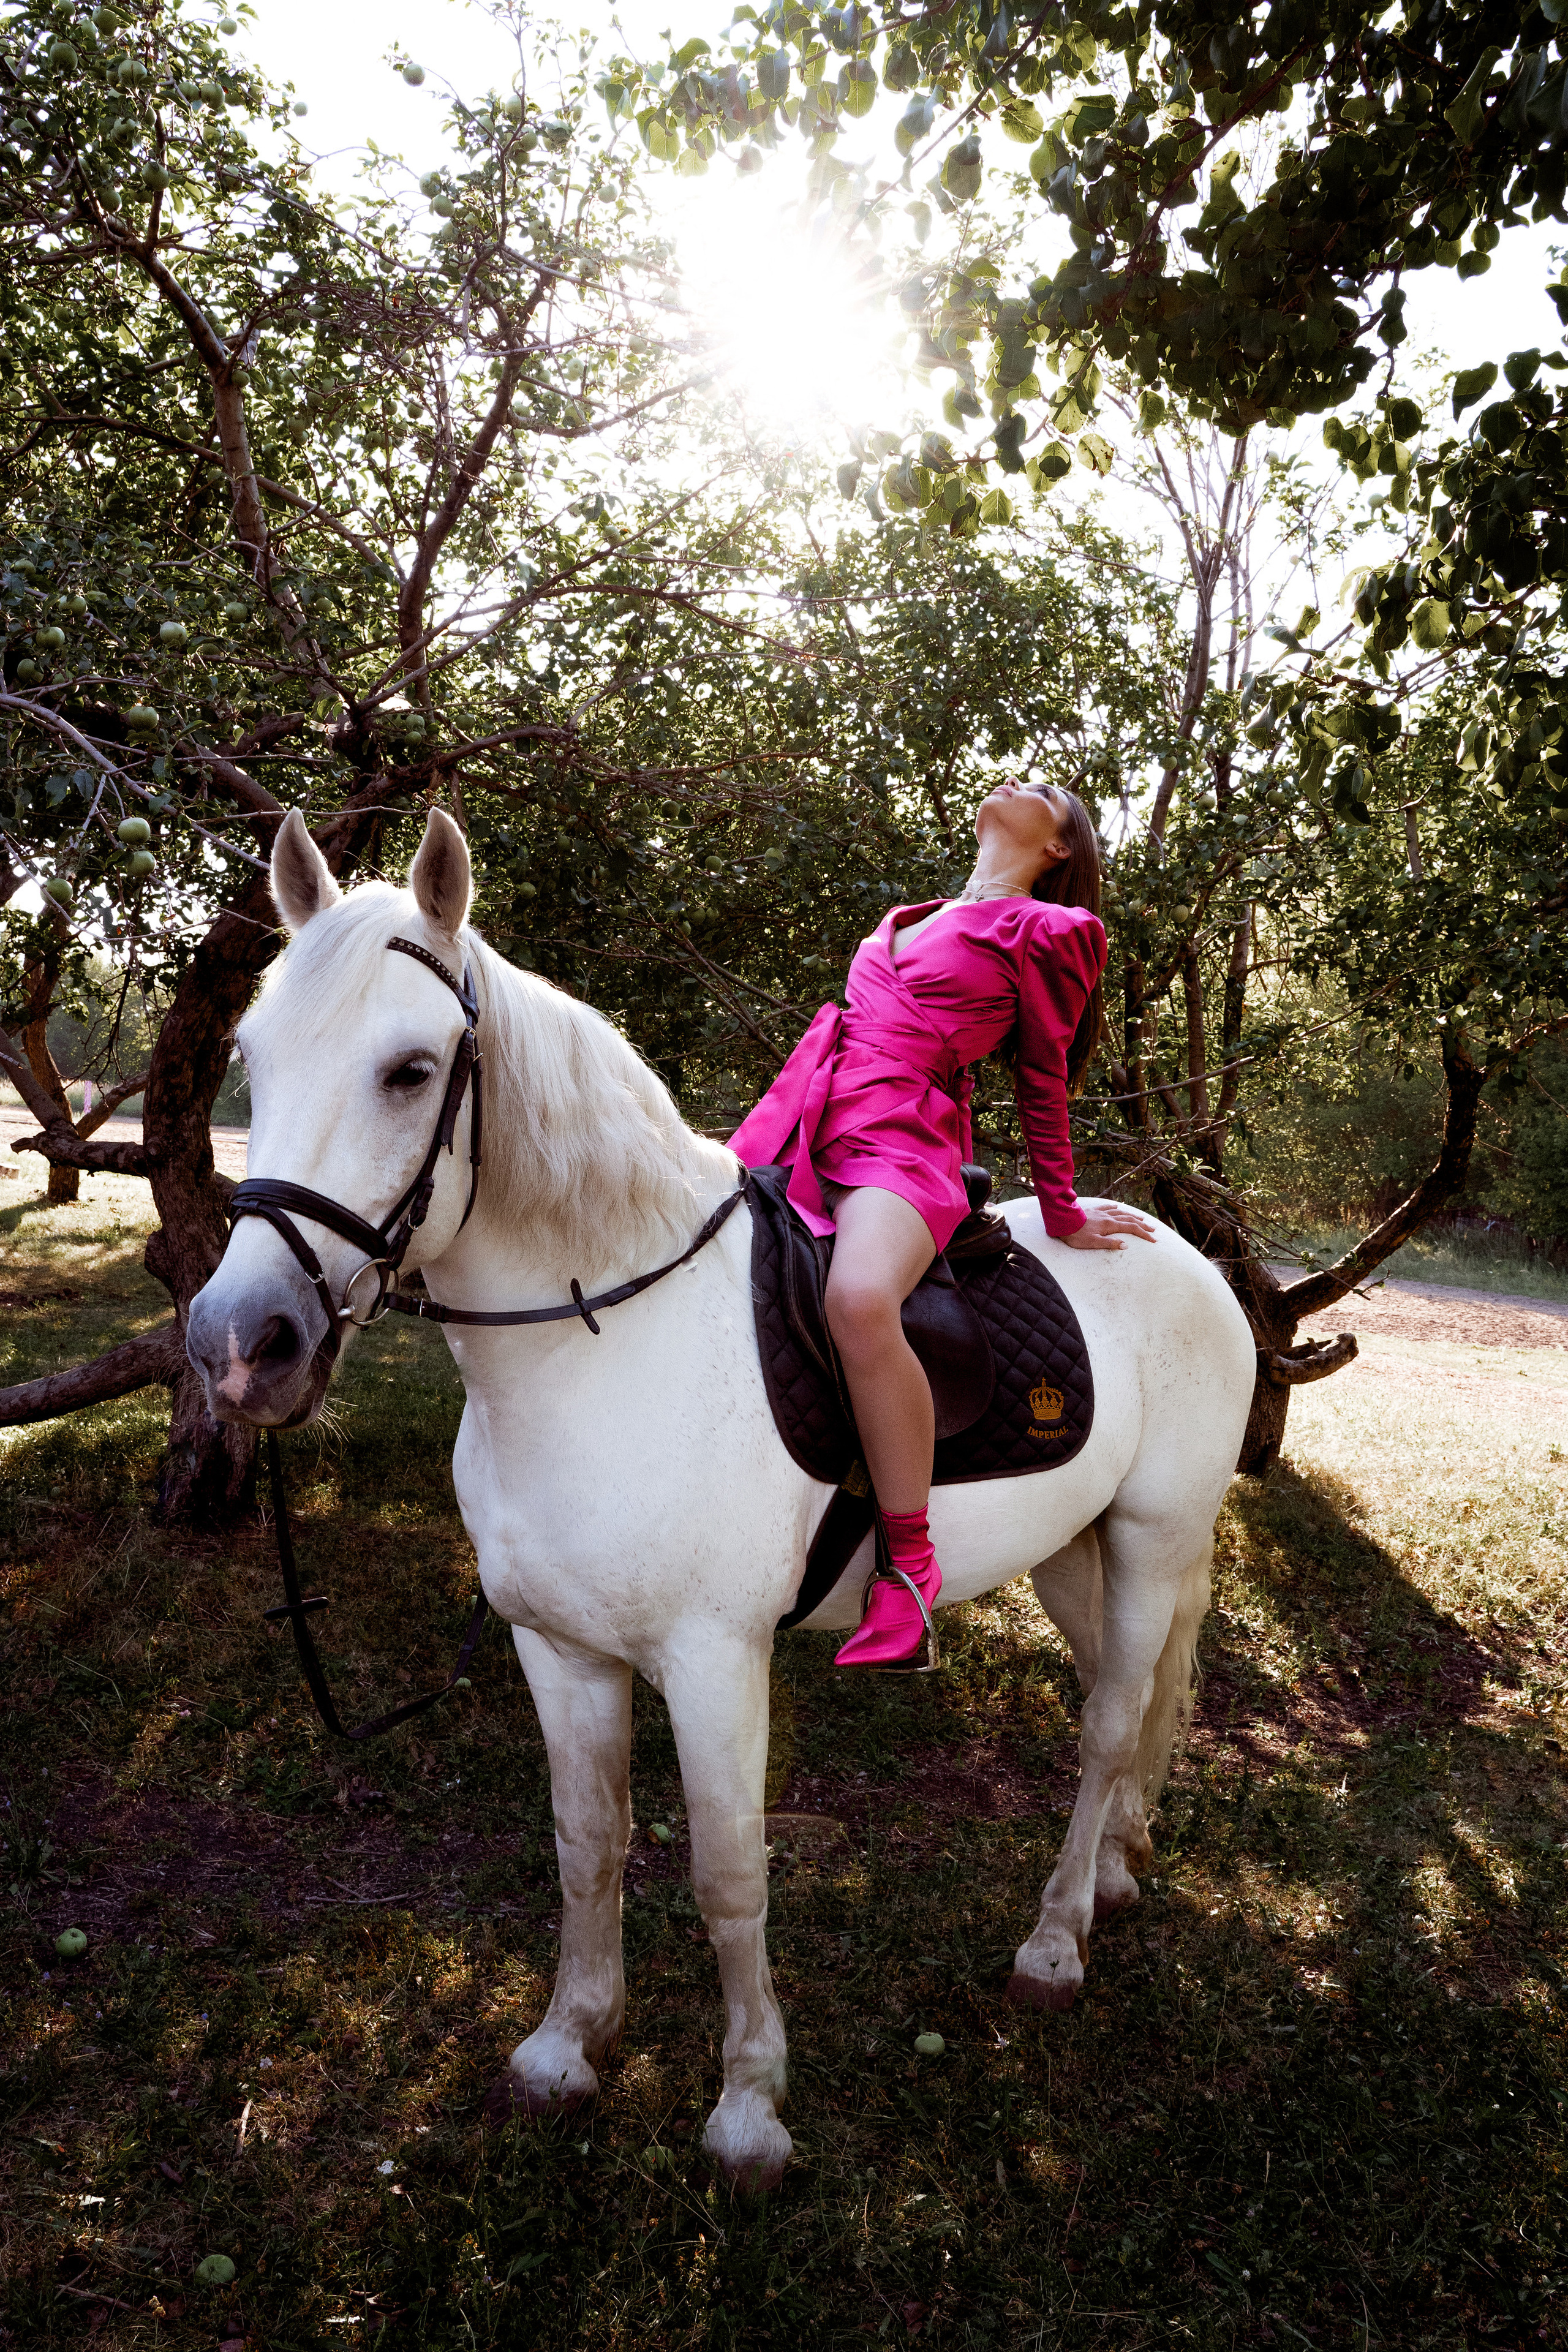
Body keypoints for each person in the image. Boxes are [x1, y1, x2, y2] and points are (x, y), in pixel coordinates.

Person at [729, 777, 1155, 1670]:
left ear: (1062, 847)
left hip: (904, 1147)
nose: (1015, 780)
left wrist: (1065, 1209)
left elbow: (1044, 1079)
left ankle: (911, 1571)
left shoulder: (1056, 931)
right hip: (813, 1125)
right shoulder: (907, 915)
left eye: (1042, 788)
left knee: (858, 1300)